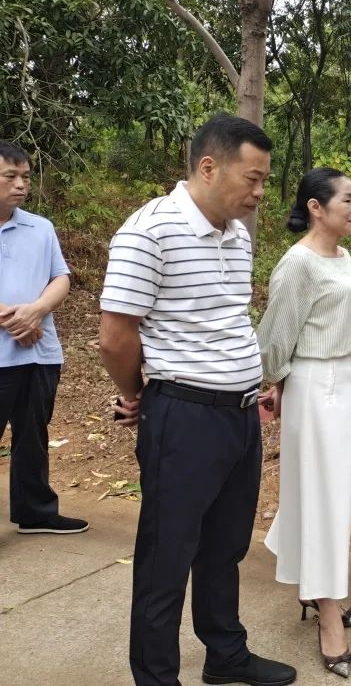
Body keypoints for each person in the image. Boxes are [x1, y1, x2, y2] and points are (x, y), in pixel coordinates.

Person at [98, 114, 296, 686]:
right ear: (209, 167)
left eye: (264, 180)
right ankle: (156, 676)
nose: (259, 192)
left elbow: (225, 320)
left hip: (238, 416)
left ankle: (225, 654)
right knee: (167, 556)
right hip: (183, 417)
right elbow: (116, 336)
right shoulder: (149, 232)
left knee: (225, 547)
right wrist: (136, 395)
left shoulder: (236, 234)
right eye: (252, 178)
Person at [257, 168, 351, 679]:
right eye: (347, 199)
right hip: (316, 385)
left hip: (348, 380)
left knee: (336, 495)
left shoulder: (341, 255)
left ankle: (320, 588)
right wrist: (276, 382)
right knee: (322, 496)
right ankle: (328, 612)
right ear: (316, 207)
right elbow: (275, 337)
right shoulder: (297, 263)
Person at [0, 140, 87, 535]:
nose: (21, 185)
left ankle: (35, 512)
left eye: (25, 177)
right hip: (9, 348)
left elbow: (60, 277)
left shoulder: (40, 228)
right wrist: (15, 318)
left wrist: (36, 310)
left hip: (39, 352)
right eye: (10, 176)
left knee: (33, 434)